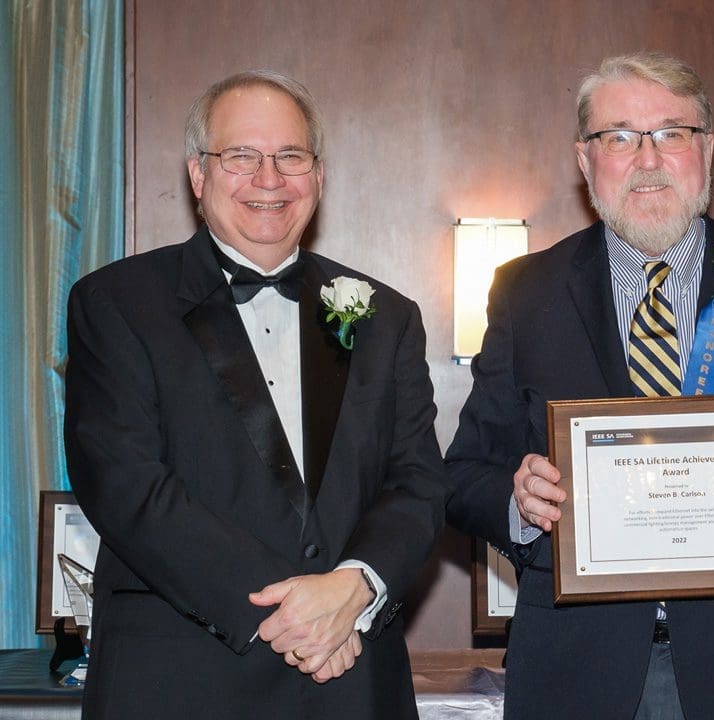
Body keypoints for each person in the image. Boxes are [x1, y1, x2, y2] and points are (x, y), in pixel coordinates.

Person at [446, 51, 714, 719]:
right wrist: (519, 500)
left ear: (706, 150)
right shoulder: (527, 292)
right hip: (573, 677)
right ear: (585, 160)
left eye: (671, 133)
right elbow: (462, 475)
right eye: (619, 137)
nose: (647, 160)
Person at [63, 70, 452, 719]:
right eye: (241, 156)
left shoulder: (385, 315)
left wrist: (354, 587)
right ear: (198, 173)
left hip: (351, 680)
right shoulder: (116, 303)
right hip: (180, 684)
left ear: (318, 176)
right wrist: (301, 614)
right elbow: (126, 485)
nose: (269, 179)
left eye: (290, 156)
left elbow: (419, 483)